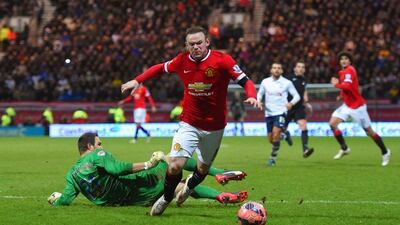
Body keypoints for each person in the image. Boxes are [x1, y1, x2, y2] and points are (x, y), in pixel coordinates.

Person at [121, 26, 261, 216]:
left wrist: (252, 95)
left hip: (215, 127)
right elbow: (158, 68)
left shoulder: (222, 60)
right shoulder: (181, 60)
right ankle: (166, 198)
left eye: (199, 43)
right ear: (186, 45)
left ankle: (188, 187)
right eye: (192, 44)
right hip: (189, 123)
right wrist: (137, 80)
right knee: (175, 165)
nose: (196, 47)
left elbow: (246, 81)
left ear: (207, 42)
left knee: (202, 169)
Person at [47, 132, 248, 207]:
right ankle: (217, 172)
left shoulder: (71, 174)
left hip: (135, 201)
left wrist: (56, 200)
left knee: (179, 187)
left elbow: (65, 200)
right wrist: (148, 164)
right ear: (90, 147)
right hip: (138, 184)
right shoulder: (96, 155)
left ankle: (221, 196)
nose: (101, 146)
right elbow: (118, 169)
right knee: (174, 161)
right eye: (98, 143)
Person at [330, 51, 391, 166]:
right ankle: (344, 148)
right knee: (333, 124)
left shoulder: (350, 70)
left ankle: (385, 151)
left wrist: (336, 85)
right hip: (347, 106)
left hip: (358, 107)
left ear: (350, 61)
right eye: (341, 59)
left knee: (369, 131)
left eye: (346, 59)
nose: (343, 60)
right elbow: (347, 88)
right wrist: (341, 95)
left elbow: (347, 86)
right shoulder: (341, 72)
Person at [257, 62, 300, 166]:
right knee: (271, 139)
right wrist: (258, 100)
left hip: (281, 112)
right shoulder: (265, 82)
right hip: (268, 113)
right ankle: (284, 136)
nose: (276, 70)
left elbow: (297, 96)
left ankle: (272, 158)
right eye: (274, 68)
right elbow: (260, 93)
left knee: (276, 134)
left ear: (281, 71)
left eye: (279, 68)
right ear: (271, 70)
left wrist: (291, 103)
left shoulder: (287, 83)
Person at [281, 61, 314, 158]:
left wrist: (307, 103)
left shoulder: (304, 79)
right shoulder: (288, 79)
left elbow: (304, 91)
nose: (300, 68)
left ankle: (305, 149)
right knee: (280, 132)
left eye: (302, 67)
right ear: (295, 68)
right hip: (287, 107)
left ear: (304, 69)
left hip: (299, 107)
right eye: (299, 67)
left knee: (303, 125)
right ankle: (286, 134)